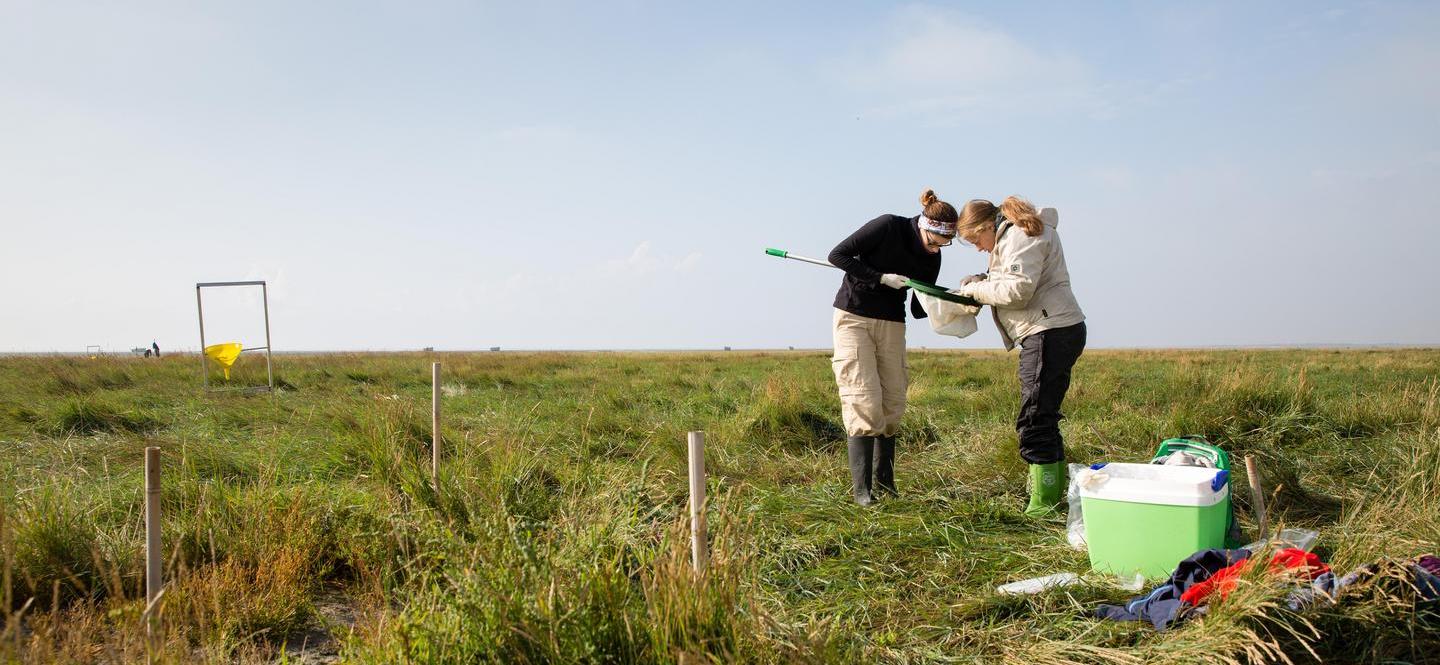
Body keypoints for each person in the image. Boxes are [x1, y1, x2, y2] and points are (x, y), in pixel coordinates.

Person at [954, 196, 1085, 516]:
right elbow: (1012, 280)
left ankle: (1042, 504)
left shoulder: (1021, 235)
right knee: (1043, 415)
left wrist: (973, 291)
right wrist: (983, 281)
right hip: (1049, 330)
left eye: (975, 240)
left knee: (1034, 419)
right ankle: (1051, 494)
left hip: (1048, 332)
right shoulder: (1012, 237)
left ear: (987, 226)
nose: (979, 248)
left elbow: (1017, 291)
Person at [827, 188, 958, 505]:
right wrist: (880, 278)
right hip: (854, 315)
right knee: (863, 398)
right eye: (934, 242)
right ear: (925, 226)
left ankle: (886, 485)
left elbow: (917, 307)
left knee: (892, 402)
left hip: (892, 322)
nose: (936, 250)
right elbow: (838, 256)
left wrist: (952, 299)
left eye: (943, 246)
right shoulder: (887, 226)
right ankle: (863, 492)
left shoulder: (933, 256)